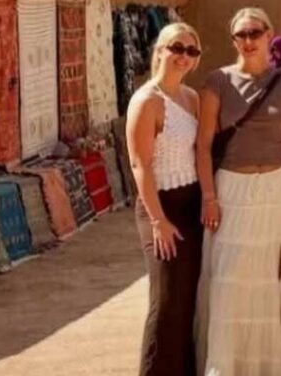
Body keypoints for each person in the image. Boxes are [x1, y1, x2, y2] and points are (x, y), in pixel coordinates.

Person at [195, 7, 281, 376]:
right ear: (233, 39)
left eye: (255, 33)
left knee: (273, 278)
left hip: (276, 188)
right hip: (232, 189)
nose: (248, 41)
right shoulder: (217, 81)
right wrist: (209, 196)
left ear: (270, 35)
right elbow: (203, 145)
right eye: (241, 35)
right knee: (231, 281)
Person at [126, 22, 203, 376]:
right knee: (166, 302)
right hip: (162, 206)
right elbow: (140, 165)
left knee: (188, 300)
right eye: (176, 47)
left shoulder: (191, 98)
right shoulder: (146, 101)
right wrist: (158, 220)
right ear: (159, 50)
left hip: (191, 203)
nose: (183, 56)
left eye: (191, 51)